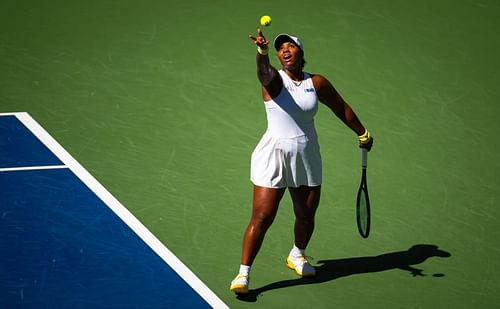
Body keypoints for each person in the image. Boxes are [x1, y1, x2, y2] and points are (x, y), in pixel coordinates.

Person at [230, 29, 373, 294]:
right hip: (273, 155)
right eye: (280, 48)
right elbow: (263, 72)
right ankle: (243, 274)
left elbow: (340, 106)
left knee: (306, 215)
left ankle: (297, 254)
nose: (284, 50)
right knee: (262, 216)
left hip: (306, 155)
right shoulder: (274, 80)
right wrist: (261, 52)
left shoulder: (316, 82)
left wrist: (362, 132)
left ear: (301, 52)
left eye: (290, 46)